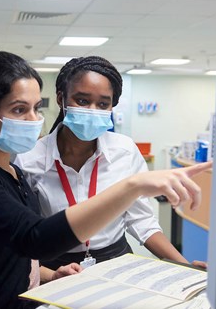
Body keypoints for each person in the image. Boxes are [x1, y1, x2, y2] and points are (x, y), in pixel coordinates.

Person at [0, 49, 211, 309]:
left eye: (36, 108)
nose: (33, 120)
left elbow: (13, 250)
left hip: (84, 272)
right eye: (18, 110)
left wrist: (48, 275)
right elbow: (32, 237)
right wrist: (132, 186)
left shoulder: (12, 173)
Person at [15, 55, 206, 271]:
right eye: (82, 100)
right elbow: (25, 234)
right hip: (55, 266)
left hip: (116, 260)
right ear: (61, 99)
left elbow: (141, 220)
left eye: (103, 104)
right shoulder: (28, 158)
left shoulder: (124, 151)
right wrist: (48, 275)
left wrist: (185, 266)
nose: (93, 110)